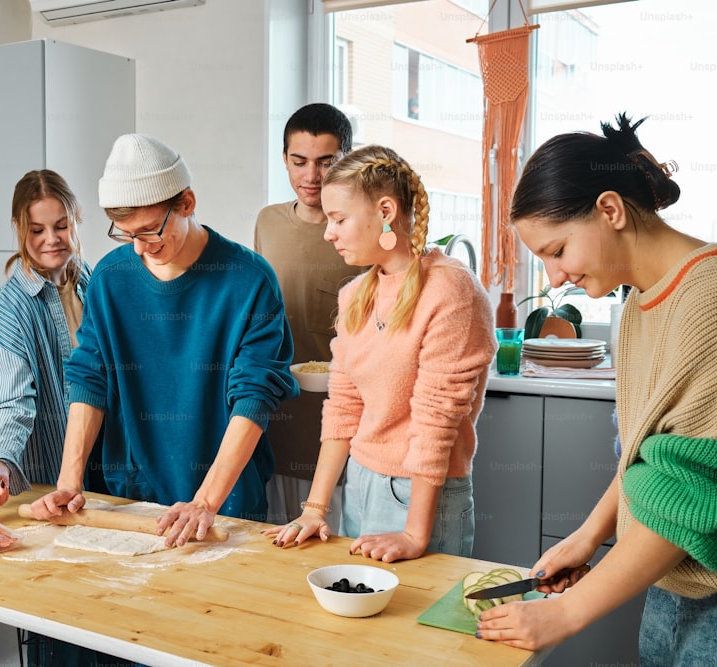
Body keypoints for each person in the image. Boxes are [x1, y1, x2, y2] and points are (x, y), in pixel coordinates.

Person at [475, 113, 717, 664]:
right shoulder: (638, 303)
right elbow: (647, 457)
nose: (554, 278)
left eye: (557, 251)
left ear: (609, 210)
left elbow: (694, 500)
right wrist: (587, 536)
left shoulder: (709, 302)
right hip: (669, 584)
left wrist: (564, 613)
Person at [25, 133, 299, 545]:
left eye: (150, 230)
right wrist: (70, 482)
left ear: (186, 203)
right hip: (130, 497)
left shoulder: (250, 281)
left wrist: (205, 501)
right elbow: (89, 378)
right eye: (126, 234)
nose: (139, 248)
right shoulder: (110, 279)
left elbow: (254, 396)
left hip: (226, 503)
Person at [263, 144, 496, 562]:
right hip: (359, 482)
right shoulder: (356, 295)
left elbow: (436, 422)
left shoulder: (451, 291)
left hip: (423, 496)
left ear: (385, 211)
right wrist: (315, 510)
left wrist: (414, 534)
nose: (328, 232)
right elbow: (344, 407)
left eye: (339, 219)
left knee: (414, 625)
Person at [0, 169, 113, 667]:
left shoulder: (96, 281)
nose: (51, 239)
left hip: (110, 474)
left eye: (61, 225)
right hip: (54, 483)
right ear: (18, 229)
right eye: (36, 229)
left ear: (77, 221)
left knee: (112, 607)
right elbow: (8, 400)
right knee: (61, 616)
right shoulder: (12, 307)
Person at [254, 103, 366, 528]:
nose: (311, 176)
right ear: (284, 159)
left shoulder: (364, 233)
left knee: (337, 541)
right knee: (279, 536)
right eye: (299, 161)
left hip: (343, 418)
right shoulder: (268, 222)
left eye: (326, 162)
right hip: (278, 413)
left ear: (347, 161)